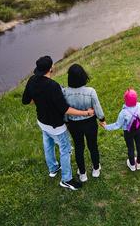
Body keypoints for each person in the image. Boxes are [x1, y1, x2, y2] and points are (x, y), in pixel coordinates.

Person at [22, 56, 95, 190]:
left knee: (48, 144)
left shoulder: (31, 80)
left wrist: (38, 99)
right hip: (56, 125)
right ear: (51, 68)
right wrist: (87, 113)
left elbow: (26, 100)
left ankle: (53, 168)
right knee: (65, 150)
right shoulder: (53, 86)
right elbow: (65, 109)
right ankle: (66, 179)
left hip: (42, 121)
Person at [62, 64, 106, 182]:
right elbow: (97, 107)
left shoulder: (65, 92)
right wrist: (101, 119)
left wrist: (66, 122)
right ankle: (96, 168)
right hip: (90, 123)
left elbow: (65, 110)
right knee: (93, 146)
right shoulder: (90, 91)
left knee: (79, 148)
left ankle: (82, 173)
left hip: (74, 125)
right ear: (83, 76)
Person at [101, 88, 140, 172]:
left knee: (131, 148)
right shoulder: (139, 105)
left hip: (128, 132)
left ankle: (132, 165)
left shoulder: (123, 112)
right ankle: (138, 163)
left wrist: (106, 126)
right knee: (139, 146)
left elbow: (117, 125)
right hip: (138, 129)